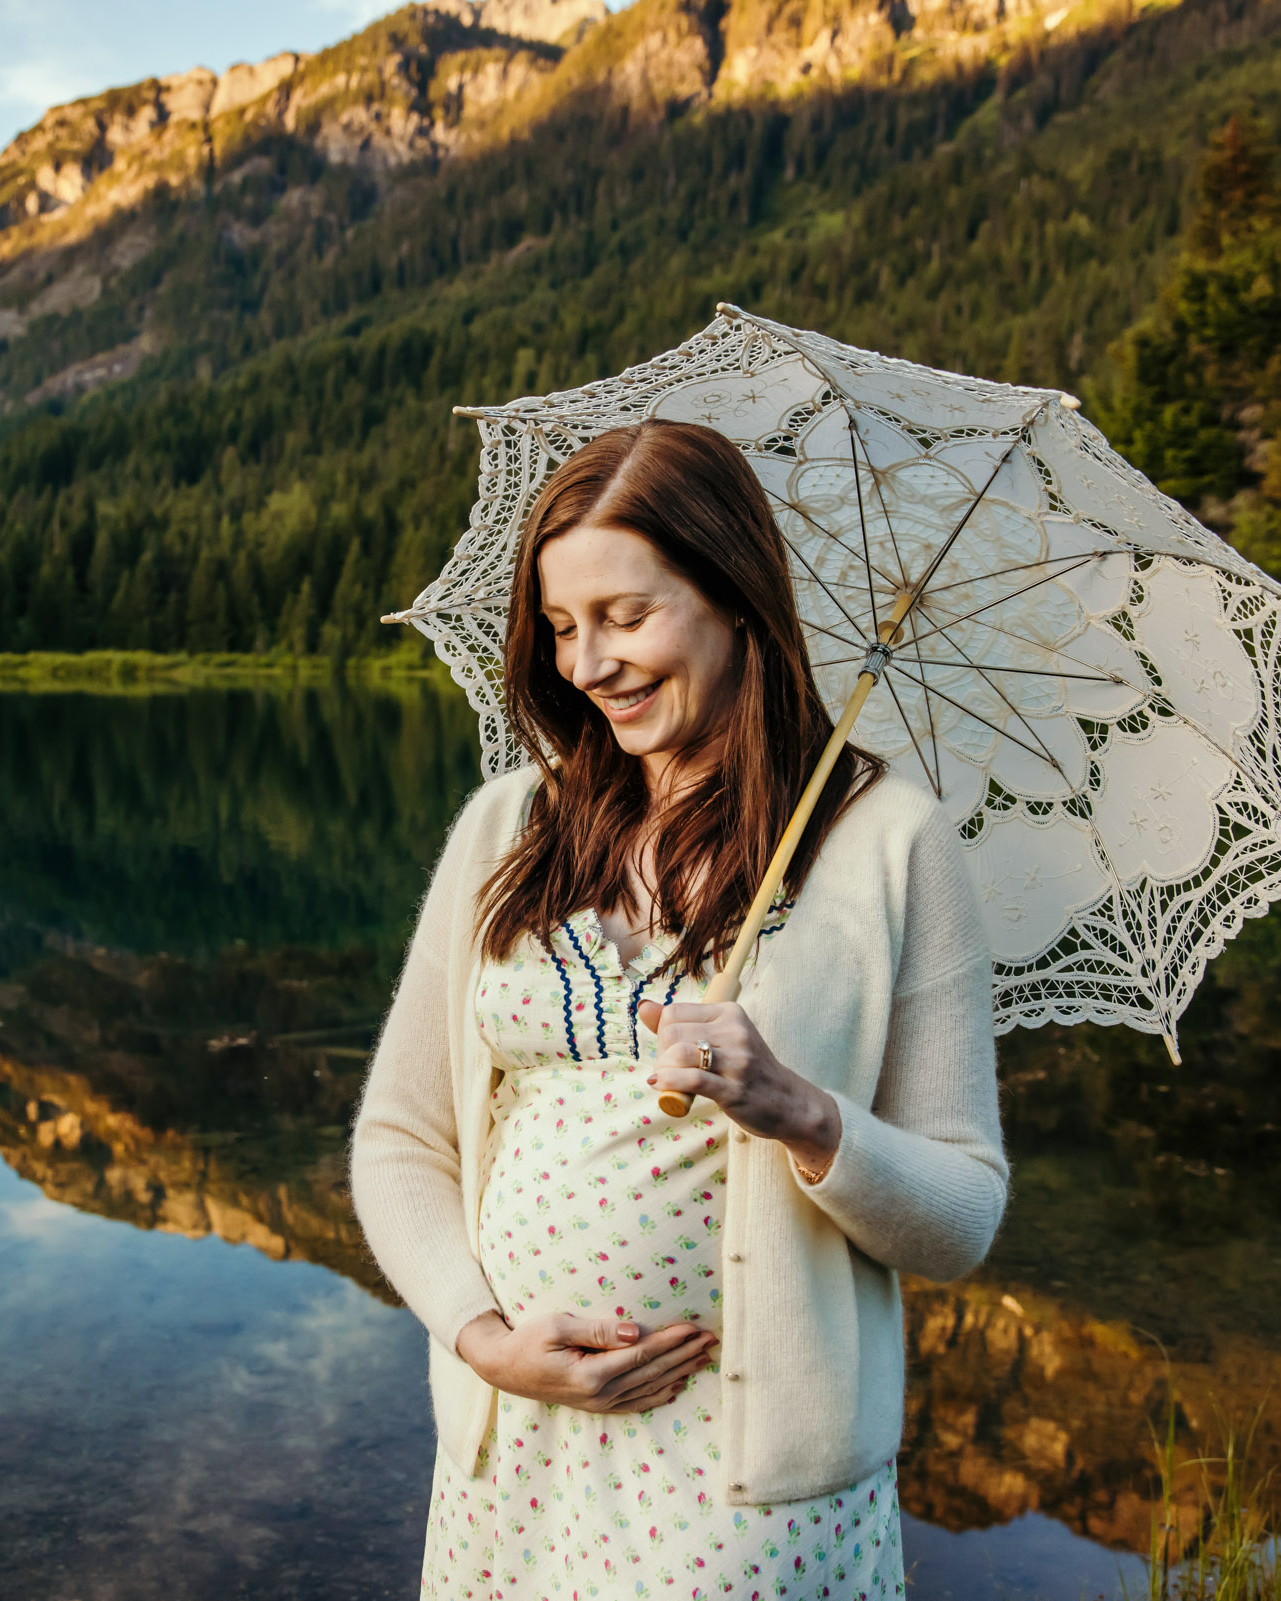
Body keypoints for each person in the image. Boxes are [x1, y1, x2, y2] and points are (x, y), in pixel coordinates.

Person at [351, 418, 1008, 1598]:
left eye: (625, 615)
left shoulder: (889, 843)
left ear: (736, 598)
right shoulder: (508, 828)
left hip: (745, 1490)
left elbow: (962, 1215)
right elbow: (402, 1139)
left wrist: (803, 1113)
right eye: (559, 626)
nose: (587, 664)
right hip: (514, 1454)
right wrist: (486, 1339)